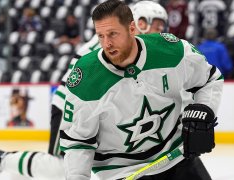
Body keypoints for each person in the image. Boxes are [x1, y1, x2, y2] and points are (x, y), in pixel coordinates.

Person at [0, 1, 172, 180]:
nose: (159, 30)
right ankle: (1, 159)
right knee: (63, 168)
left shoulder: (133, 46)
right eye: (155, 24)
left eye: (162, 26)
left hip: (88, 109)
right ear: (138, 22)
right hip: (70, 108)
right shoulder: (111, 44)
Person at [60, 0, 223, 180]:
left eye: (113, 34)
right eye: (101, 36)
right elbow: (78, 142)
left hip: (176, 156)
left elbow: (210, 78)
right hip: (122, 170)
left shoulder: (172, 51)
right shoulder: (86, 78)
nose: (107, 44)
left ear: (132, 28)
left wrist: (205, 110)